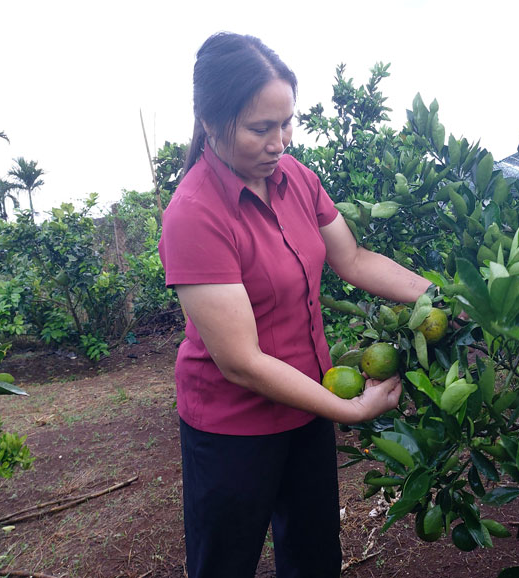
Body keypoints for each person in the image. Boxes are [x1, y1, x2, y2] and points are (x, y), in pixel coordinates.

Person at [158, 32, 430, 578]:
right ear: (211, 123)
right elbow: (241, 361)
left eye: (287, 123)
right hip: (232, 427)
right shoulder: (195, 213)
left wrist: (436, 297)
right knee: (224, 563)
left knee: (313, 555)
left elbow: (352, 259)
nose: (279, 141)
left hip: (308, 403)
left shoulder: (298, 180)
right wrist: (350, 410)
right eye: (261, 128)